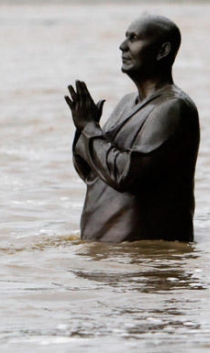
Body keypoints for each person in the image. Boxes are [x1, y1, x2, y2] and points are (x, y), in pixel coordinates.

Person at [65, 14, 200, 243]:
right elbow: (92, 174)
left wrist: (90, 129)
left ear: (162, 51)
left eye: (133, 38)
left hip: (142, 265)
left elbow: (126, 175)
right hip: (108, 258)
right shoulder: (126, 103)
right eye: (125, 37)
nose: (122, 46)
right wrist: (84, 129)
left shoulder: (172, 108)